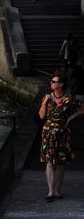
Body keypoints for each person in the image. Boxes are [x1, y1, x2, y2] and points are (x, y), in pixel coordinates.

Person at [38, 70, 84, 201]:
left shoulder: (69, 99)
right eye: (51, 81)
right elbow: (41, 116)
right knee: (50, 162)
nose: (51, 83)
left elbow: (82, 110)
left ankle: (57, 190)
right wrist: (44, 103)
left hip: (63, 133)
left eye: (54, 82)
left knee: (60, 162)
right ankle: (50, 191)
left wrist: (70, 119)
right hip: (48, 133)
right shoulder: (48, 98)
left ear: (61, 84)